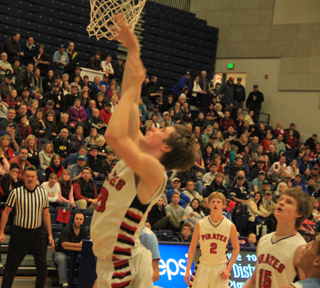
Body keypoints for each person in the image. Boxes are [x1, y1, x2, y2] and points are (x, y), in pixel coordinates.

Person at [90, 15, 196, 288]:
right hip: (114, 260)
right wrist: (133, 49)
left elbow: (113, 134)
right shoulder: (141, 154)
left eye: (163, 130)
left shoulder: (154, 171)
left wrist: (134, 86)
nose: (156, 126)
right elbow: (130, 96)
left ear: (165, 147)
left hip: (122, 264)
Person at [243, 188, 312, 288]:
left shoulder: (299, 248)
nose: (281, 203)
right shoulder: (264, 240)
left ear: (299, 213)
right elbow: (254, 280)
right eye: (281, 199)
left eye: (289, 202)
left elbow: (306, 285)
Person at [0, 166, 54, 288]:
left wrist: (50, 234)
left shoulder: (43, 194)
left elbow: (46, 214)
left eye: (32, 177)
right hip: (20, 234)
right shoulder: (15, 193)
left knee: (42, 266)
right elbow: (6, 213)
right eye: (27, 176)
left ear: (36, 178)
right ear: (23, 178)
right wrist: (1, 232)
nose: (30, 179)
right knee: (11, 266)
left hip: (38, 234)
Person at [185, 192, 240, 288]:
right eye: (213, 202)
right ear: (209, 204)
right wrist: (188, 269)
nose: (215, 204)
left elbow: (236, 248)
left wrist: (228, 268)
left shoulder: (230, 226)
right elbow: (192, 247)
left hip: (221, 267)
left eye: (218, 202)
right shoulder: (200, 224)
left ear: (223, 205)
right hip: (203, 266)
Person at [54, 212, 89, 288]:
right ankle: (64, 284)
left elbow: (88, 243)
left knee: (85, 259)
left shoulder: (85, 232)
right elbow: (64, 244)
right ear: (73, 219)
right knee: (62, 259)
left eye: (80, 219)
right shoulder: (66, 230)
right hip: (62, 253)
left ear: (83, 221)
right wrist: (77, 245)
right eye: (77, 219)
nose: (78, 221)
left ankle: (81, 281)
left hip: (76, 254)